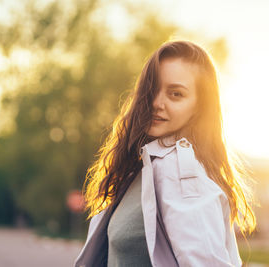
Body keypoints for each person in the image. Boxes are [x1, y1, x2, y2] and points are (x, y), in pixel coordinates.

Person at [74, 40, 256, 267]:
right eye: (152, 89)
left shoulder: (180, 171)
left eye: (176, 94)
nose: (157, 102)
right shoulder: (145, 166)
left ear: (199, 107)